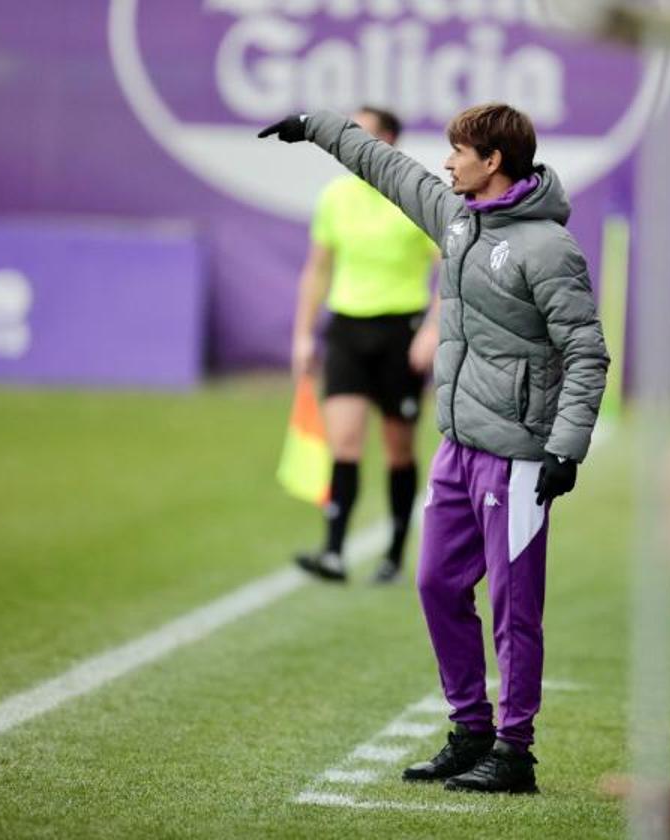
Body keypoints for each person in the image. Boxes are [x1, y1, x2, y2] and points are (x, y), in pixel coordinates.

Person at [259, 103, 610, 794]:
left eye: (458, 151)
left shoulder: (547, 248)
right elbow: (385, 167)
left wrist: (565, 447)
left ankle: (514, 752)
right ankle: (470, 730)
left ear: (493, 162)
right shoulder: (456, 219)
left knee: (515, 608)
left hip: (518, 457)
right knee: (435, 584)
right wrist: (317, 126)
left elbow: (586, 351)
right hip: (456, 448)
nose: (446, 162)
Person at [290, 106, 440, 585]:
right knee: (346, 443)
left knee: (398, 449)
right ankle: (333, 551)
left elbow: (456, 266)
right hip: (348, 330)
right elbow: (317, 268)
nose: (346, 141)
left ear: (388, 141)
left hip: (402, 331)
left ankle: (395, 553)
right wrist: (302, 335)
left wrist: (433, 329)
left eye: (360, 133)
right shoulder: (335, 197)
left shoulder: (415, 196)